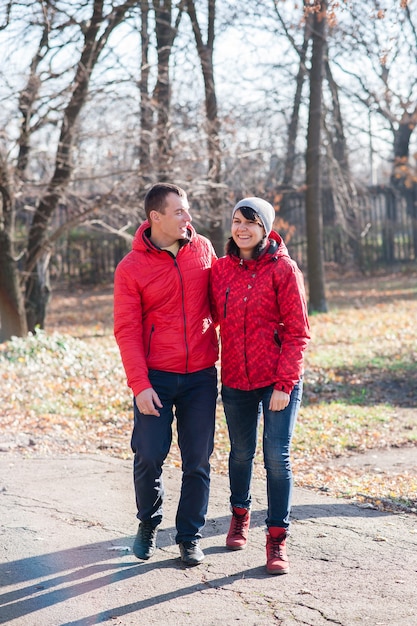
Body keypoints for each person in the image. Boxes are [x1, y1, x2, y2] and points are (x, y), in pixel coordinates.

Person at [114, 182, 219, 566]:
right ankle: (148, 524)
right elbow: (126, 330)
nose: (187, 218)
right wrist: (139, 385)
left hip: (201, 377)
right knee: (148, 455)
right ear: (155, 217)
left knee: (198, 460)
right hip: (155, 377)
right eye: (178, 212)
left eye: (187, 210)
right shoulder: (131, 268)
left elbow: (221, 300)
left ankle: (189, 536)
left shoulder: (203, 248)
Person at [210, 196, 310, 575]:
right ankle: (240, 515)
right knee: (240, 453)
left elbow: (298, 333)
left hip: (277, 382)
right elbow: (204, 317)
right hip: (235, 378)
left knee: (276, 459)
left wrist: (285, 384)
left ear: (265, 228)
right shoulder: (219, 271)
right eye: (237, 220)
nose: (242, 228)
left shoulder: (283, 269)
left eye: (250, 222)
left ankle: (277, 538)